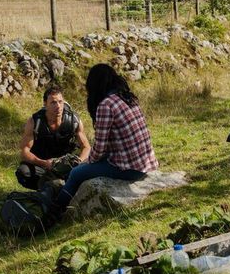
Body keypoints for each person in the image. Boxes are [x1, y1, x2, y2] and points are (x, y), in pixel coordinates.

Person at [55, 63, 158, 210]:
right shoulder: (128, 97)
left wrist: (87, 163)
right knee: (82, 169)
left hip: (130, 170)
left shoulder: (106, 105)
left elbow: (99, 149)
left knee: (76, 173)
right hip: (146, 164)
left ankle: (55, 210)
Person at [17, 85, 91, 190]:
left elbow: (86, 147)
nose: (58, 106)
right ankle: (44, 190)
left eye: (60, 102)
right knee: (23, 172)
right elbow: (24, 151)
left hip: (67, 167)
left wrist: (79, 161)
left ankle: (63, 188)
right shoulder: (35, 122)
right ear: (45, 104)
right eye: (53, 103)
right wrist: (44, 163)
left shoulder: (74, 120)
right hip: (42, 165)